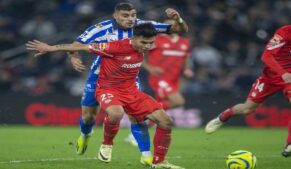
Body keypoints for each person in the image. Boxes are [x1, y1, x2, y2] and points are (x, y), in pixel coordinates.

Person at [26, 23, 185, 169]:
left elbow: (175, 29)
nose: (147, 46)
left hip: (131, 92)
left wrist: (177, 19)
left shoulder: (142, 47)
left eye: (151, 43)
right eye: (144, 43)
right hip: (108, 89)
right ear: (133, 38)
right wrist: (50, 48)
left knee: (166, 121)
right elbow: (82, 47)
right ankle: (107, 144)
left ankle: (159, 162)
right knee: (115, 113)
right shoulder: (113, 47)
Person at [66, 2, 188, 165]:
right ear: (115, 16)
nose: (130, 19)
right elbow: (76, 45)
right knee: (89, 116)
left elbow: (179, 30)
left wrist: (178, 19)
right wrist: (74, 58)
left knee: (137, 117)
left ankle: (146, 156)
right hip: (99, 77)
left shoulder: (142, 26)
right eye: (125, 16)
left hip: (128, 79)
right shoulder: (101, 29)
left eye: (133, 15)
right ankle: (85, 136)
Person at [205, 8, 291, 157]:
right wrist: (284, 73)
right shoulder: (285, 31)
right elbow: (266, 56)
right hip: (272, 77)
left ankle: (290, 145)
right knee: (247, 109)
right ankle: (223, 117)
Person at [144, 18, 194, 111]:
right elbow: (138, 54)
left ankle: (150, 120)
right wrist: (150, 68)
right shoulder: (156, 40)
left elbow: (185, 58)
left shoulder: (185, 42)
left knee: (162, 106)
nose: (170, 28)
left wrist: (187, 69)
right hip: (159, 78)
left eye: (174, 25)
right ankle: (146, 110)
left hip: (174, 79)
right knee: (178, 101)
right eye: (167, 25)